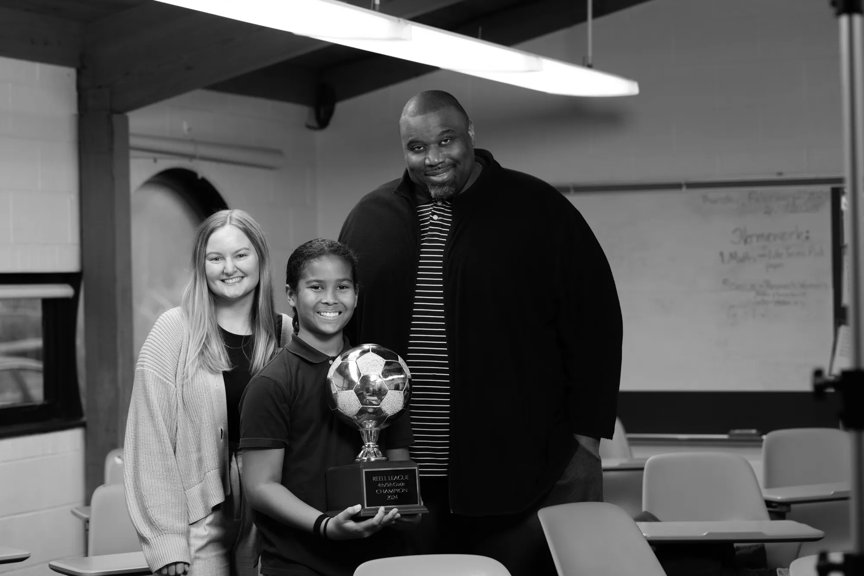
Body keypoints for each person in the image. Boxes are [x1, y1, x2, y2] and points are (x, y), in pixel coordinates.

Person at [338, 90, 623, 576]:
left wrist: (586, 440)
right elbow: (347, 337)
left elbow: (596, 323)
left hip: (525, 468)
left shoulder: (537, 210)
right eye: (417, 147)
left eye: (446, 140)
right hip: (404, 470)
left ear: (471, 135)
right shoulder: (370, 220)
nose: (434, 158)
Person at [124, 209, 291, 576]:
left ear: (261, 258)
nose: (228, 268)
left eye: (240, 255)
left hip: (268, 515)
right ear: (202, 266)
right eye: (215, 258)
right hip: (198, 520)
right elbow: (149, 441)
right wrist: (166, 542)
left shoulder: (285, 334)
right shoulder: (174, 330)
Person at [239, 238, 414, 576]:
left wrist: (399, 506)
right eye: (315, 287)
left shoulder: (385, 373)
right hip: (300, 564)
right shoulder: (272, 384)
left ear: (357, 294)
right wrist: (325, 525)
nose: (331, 299)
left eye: (342, 287)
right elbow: (260, 487)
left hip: (380, 562)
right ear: (290, 294)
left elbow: (398, 461)